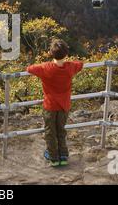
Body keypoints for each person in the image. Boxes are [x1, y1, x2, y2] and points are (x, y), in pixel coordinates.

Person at [26, 39, 83, 167]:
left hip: (50, 106)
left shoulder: (45, 68)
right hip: (64, 106)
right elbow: (80, 64)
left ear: (51, 53)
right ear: (66, 53)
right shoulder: (70, 67)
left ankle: (53, 157)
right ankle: (63, 156)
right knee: (61, 131)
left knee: (50, 132)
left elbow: (29, 68)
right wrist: (68, 62)